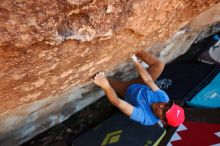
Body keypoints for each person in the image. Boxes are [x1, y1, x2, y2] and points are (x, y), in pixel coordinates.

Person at [93, 50, 185, 127]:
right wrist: (135, 60)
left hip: (127, 90)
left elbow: (117, 102)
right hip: (142, 84)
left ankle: (106, 80)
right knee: (159, 65)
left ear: (163, 121)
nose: (162, 105)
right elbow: (149, 80)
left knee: (104, 79)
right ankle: (136, 49)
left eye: (163, 111)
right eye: (166, 105)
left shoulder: (146, 119)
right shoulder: (164, 98)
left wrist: (105, 85)